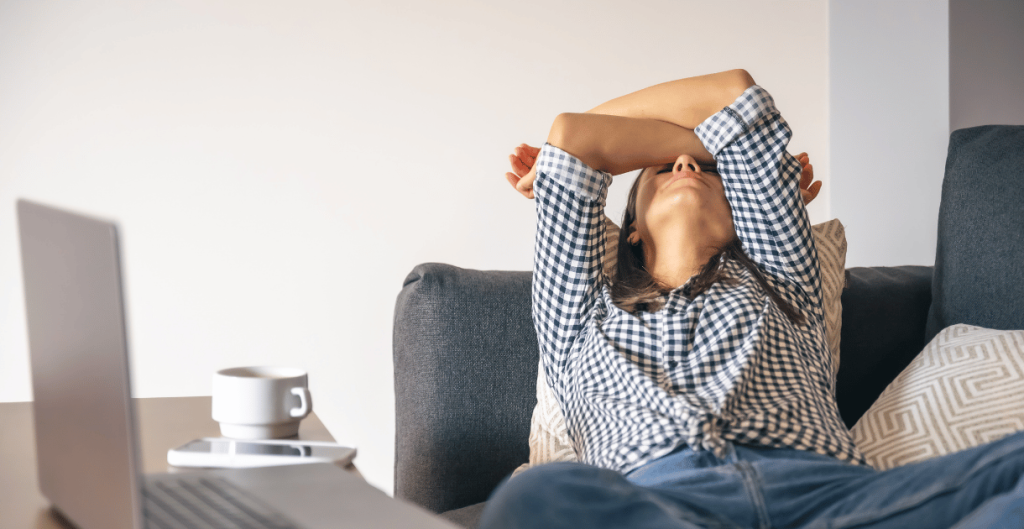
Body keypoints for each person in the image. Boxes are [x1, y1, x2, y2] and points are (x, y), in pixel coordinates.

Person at [483, 69, 1024, 529]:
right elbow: (573, 138)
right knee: (533, 497)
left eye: (709, 168)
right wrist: (712, 147)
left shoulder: (780, 274)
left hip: (829, 497)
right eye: (663, 165)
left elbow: (735, 90)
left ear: (744, 215)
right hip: (664, 505)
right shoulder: (578, 317)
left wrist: (733, 165)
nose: (687, 165)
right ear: (630, 229)